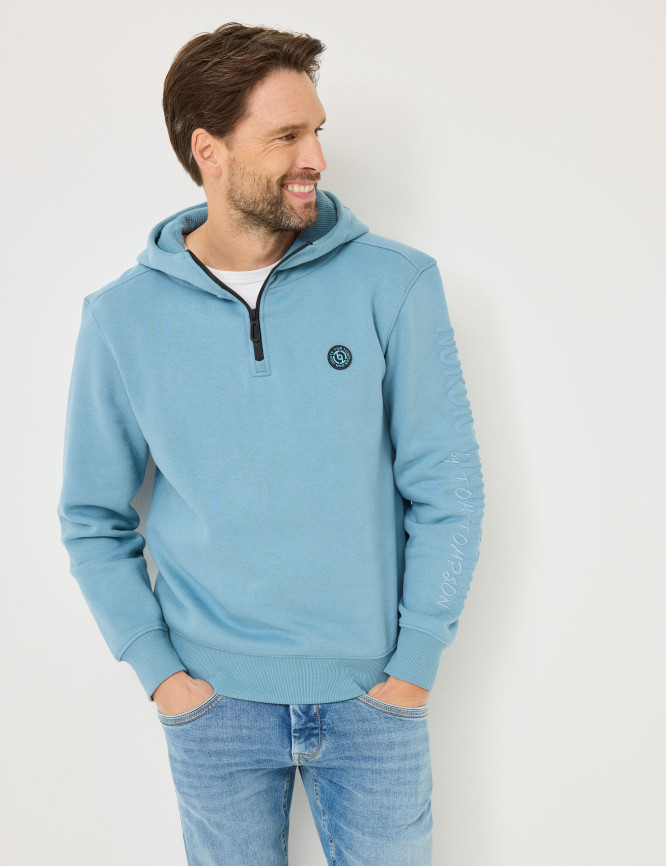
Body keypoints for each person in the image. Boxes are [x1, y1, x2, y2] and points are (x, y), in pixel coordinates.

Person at [57, 21, 485, 866]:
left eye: (317, 130)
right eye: (286, 136)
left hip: (376, 701)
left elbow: (449, 486)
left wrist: (416, 662)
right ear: (208, 151)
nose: (315, 157)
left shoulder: (395, 282)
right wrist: (161, 674)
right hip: (213, 708)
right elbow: (91, 516)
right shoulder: (122, 318)